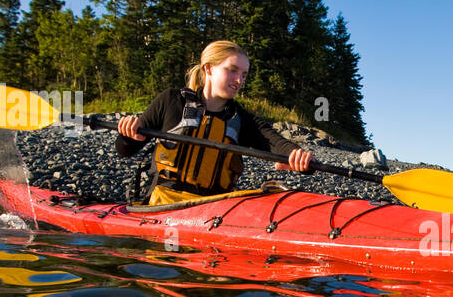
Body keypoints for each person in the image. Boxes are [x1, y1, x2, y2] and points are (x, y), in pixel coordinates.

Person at [116, 40, 313, 205]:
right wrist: (128, 131)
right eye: (233, 70)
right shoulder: (171, 101)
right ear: (208, 68)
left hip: (215, 208)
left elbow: (277, 144)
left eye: (244, 75)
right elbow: (125, 150)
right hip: (164, 204)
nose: (239, 80)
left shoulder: (242, 119)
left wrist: (299, 158)